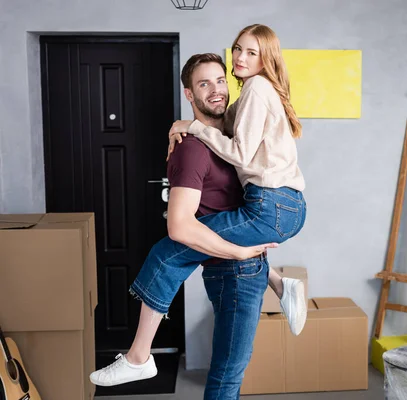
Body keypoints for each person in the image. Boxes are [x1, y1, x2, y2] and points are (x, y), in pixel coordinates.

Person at [90, 30, 308, 391]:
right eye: (237, 49)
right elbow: (206, 216)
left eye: (221, 80)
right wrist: (186, 128)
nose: (239, 59)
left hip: (271, 211)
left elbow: (236, 153)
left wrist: (189, 125)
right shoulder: (215, 129)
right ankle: (282, 284)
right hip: (267, 222)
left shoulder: (254, 90)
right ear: (190, 94)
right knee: (228, 372)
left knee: (165, 256)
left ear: (265, 58)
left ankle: (139, 357)